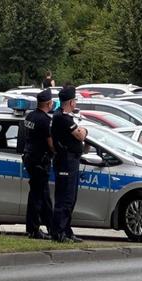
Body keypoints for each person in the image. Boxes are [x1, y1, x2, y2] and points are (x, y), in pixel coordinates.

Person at [51, 85, 88, 243]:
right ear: (71, 102)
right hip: (65, 161)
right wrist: (84, 130)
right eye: (75, 100)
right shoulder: (62, 118)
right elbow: (80, 136)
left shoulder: (64, 116)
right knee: (64, 198)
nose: (76, 103)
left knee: (71, 198)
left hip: (70, 160)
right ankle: (59, 232)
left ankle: (66, 230)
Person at [21, 89, 55, 239]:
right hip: (40, 161)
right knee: (37, 196)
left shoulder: (30, 116)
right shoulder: (45, 120)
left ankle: (51, 227)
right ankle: (33, 229)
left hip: (30, 158)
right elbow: (50, 144)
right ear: (49, 103)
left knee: (44, 195)